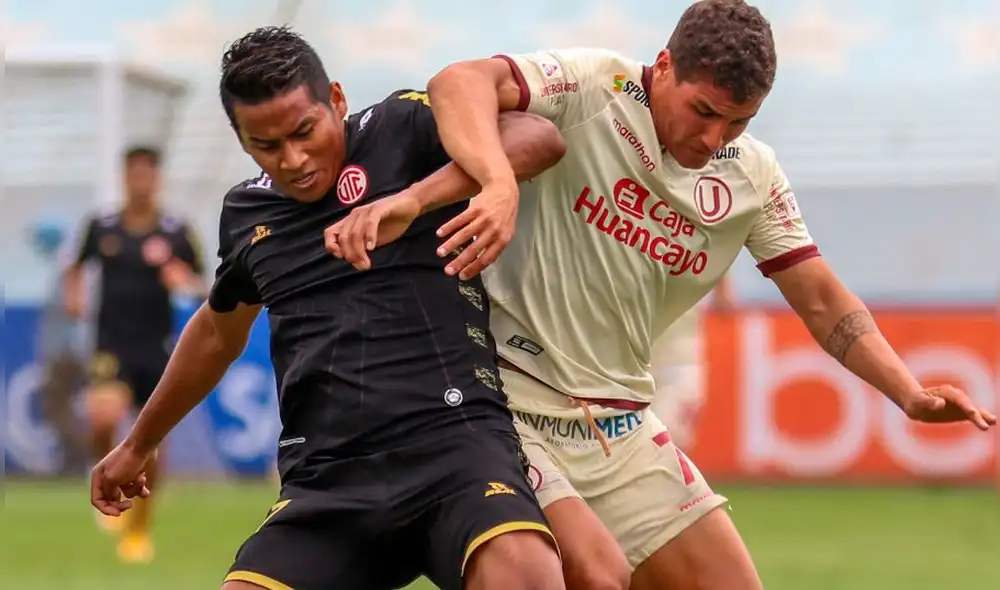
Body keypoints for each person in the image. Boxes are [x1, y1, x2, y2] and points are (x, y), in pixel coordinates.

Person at [341, 1, 992, 588]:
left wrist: (907, 391)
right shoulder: (597, 86)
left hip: (622, 429)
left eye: (738, 123)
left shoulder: (753, 176)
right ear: (663, 66)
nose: (714, 141)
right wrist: (497, 183)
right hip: (506, 408)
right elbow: (459, 81)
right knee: (596, 576)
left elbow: (821, 298)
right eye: (704, 111)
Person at [89, 27, 567, 590]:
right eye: (266, 145)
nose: (293, 160)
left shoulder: (400, 130)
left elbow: (538, 138)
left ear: (336, 100)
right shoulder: (247, 213)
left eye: (304, 132)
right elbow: (218, 334)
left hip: (456, 450)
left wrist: (412, 202)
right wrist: (139, 444)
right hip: (328, 481)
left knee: (529, 577)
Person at [64, 146, 206, 562]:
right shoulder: (102, 225)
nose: (140, 182)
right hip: (111, 344)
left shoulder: (176, 230)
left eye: (147, 175)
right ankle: (106, 476)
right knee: (102, 416)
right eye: (133, 174)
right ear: (126, 178)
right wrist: (74, 297)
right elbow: (74, 267)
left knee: (151, 447)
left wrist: (182, 280)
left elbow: (200, 284)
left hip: (158, 348)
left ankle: (139, 529)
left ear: (156, 179)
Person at [31, 219, 89, 475]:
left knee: (55, 406)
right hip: (69, 350)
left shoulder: (67, 266)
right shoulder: (68, 264)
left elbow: (74, 309)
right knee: (60, 407)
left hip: (67, 353)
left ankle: (81, 454)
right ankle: (74, 459)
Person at [650, 275, 733, 451]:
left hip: (679, 363)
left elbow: (724, 302)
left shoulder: (703, 250)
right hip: (641, 364)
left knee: (665, 447)